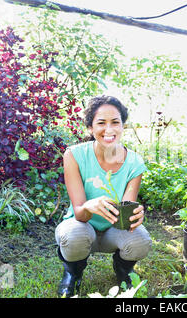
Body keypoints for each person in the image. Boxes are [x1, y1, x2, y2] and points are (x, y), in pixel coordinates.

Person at [54, 95, 152, 298]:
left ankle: (123, 270)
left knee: (140, 239)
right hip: (81, 225)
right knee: (73, 235)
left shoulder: (134, 162)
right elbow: (79, 213)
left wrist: (135, 216)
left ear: (123, 126)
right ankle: (73, 273)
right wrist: (90, 206)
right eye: (101, 123)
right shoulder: (74, 155)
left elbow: (124, 216)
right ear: (90, 128)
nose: (109, 129)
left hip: (112, 231)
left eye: (115, 122)